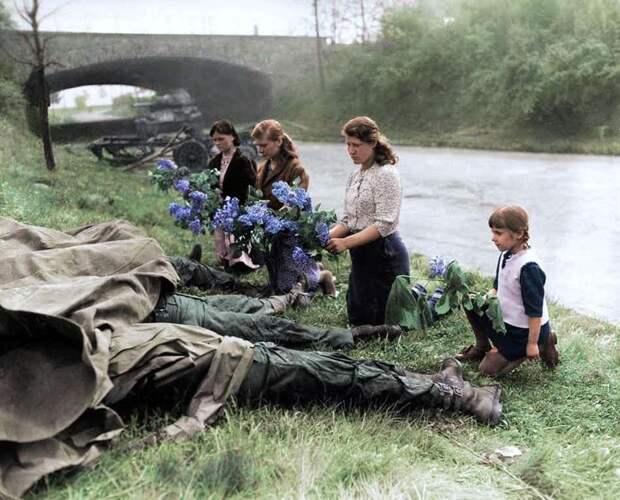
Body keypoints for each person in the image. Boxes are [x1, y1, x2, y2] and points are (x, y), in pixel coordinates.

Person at [455, 205, 559, 376]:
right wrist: (484, 301)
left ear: (518, 234)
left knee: (487, 369)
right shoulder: (506, 254)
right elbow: (498, 287)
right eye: (492, 232)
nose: (493, 238)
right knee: (471, 301)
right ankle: (482, 346)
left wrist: (531, 344)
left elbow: (535, 312)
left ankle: (543, 341)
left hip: (523, 333)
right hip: (505, 321)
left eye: (498, 233)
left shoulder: (529, 267)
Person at [326, 116, 410, 326]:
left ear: (373, 143)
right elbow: (348, 220)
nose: (351, 151)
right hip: (361, 254)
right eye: (348, 144)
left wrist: (345, 243)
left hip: (385, 254)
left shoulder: (386, 174)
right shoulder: (355, 175)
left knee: (383, 321)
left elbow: (384, 224)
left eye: (356, 145)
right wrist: (324, 237)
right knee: (357, 317)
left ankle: (419, 298)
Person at [251, 119, 334, 295]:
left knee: (289, 285)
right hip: (270, 230)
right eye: (257, 145)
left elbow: (295, 206)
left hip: (291, 231)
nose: (260, 150)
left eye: (264, 145)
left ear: (278, 141)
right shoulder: (262, 168)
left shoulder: (296, 169)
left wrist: (273, 216)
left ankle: (322, 276)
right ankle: (312, 271)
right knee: (276, 281)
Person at [207, 119, 258, 271]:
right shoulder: (214, 162)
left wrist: (236, 205)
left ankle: (240, 263)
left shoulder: (243, 160)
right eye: (215, 140)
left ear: (232, 137)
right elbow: (210, 183)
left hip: (238, 206)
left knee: (235, 237)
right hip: (220, 207)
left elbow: (251, 186)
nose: (217, 143)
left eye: (221, 139)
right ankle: (223, 262)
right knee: (219, 236)